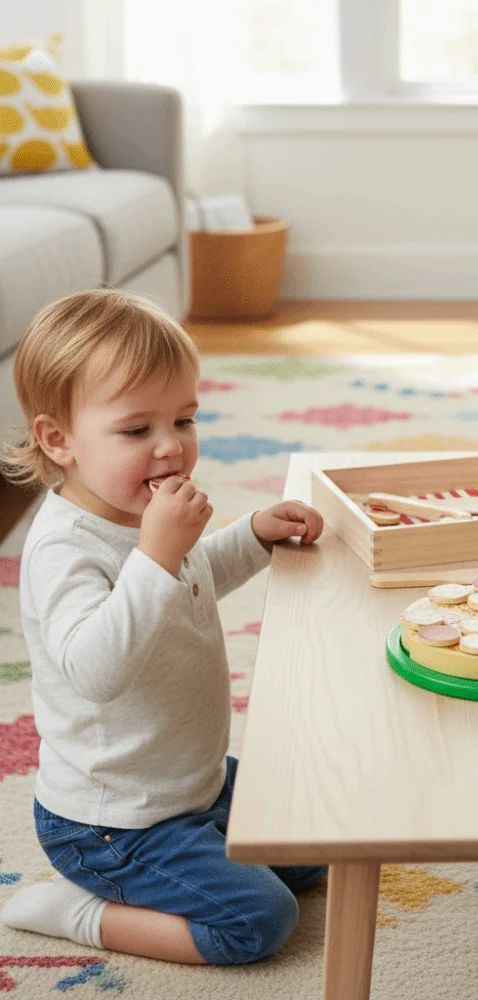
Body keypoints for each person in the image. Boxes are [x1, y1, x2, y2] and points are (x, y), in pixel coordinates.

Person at [0, 290, 327, 965]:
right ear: (57, 440)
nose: (171, 447)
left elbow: (190, 578)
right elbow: (95, 671)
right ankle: (84, 910)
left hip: (189, 781)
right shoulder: (65, 548)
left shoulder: (136, 515)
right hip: (113, 824)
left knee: (314, 845)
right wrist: (157, 553)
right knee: (260, 919)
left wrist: (256, 537)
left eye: (184, 419)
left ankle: (205, 844)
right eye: (136, 430)